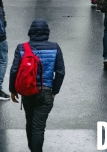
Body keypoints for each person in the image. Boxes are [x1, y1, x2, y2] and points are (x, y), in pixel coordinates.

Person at [9, 20, 65, 152]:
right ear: (47, 32)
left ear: (30, 32)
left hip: (28, 93)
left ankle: (32, 148)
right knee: (38, 127)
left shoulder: (21, 48)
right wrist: (54, 91)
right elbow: (61, 72)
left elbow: (14, 70)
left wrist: (13, 90)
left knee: (30, 122)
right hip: (45, 93)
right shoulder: (55, 47)